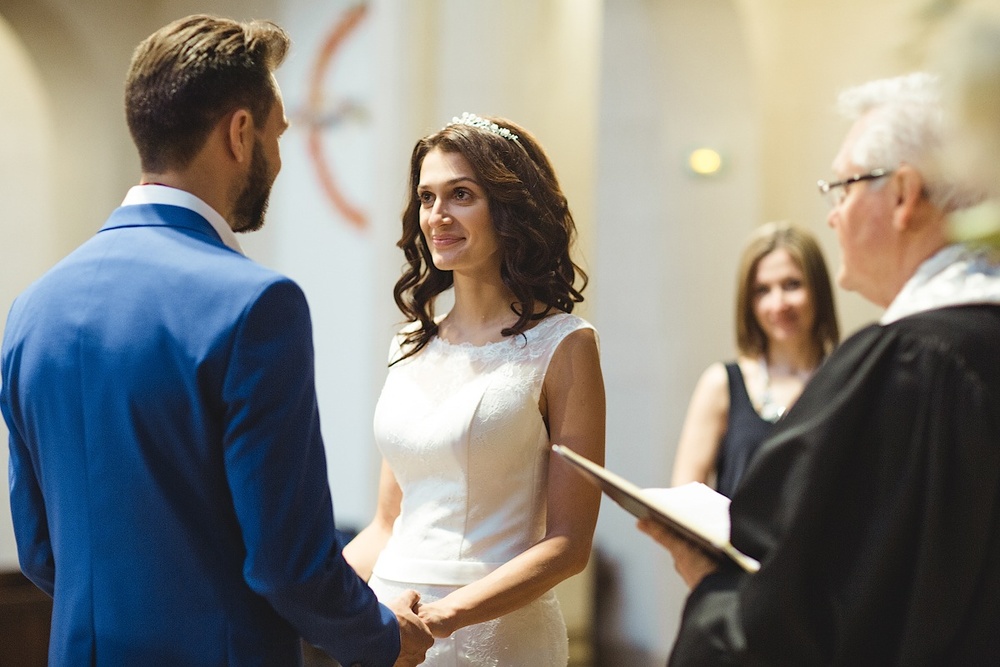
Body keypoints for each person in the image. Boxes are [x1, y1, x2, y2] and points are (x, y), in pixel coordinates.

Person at [0, 15, 431, 667]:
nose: (280, 158)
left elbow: (38, 549)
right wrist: (381, 636)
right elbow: (289, 562)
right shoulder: (255, 305)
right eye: (278, 134)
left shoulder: (31, 309)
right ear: (240, 132)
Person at [641, 72, 1000, 665]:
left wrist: (710, 583)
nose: (833, 216)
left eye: (843, 186)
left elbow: (795, 623)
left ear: (905, 195)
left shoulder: (901, 369)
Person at [343, 113, 606, 665]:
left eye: (460, 194)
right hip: (390, 627)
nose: (437, 216)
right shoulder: (409, 343)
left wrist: (447, 616)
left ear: (508, 209)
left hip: (497, 634)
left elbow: (567, 545)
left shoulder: (565, 345)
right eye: (426, 197)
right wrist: (321, 597)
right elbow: (387, 524)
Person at [670, 222, 839, 497]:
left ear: (819, 289)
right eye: (762, 290)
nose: (778, 304)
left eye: (792, 285)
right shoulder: (721, 384)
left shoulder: (849, 379)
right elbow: (682, 502)